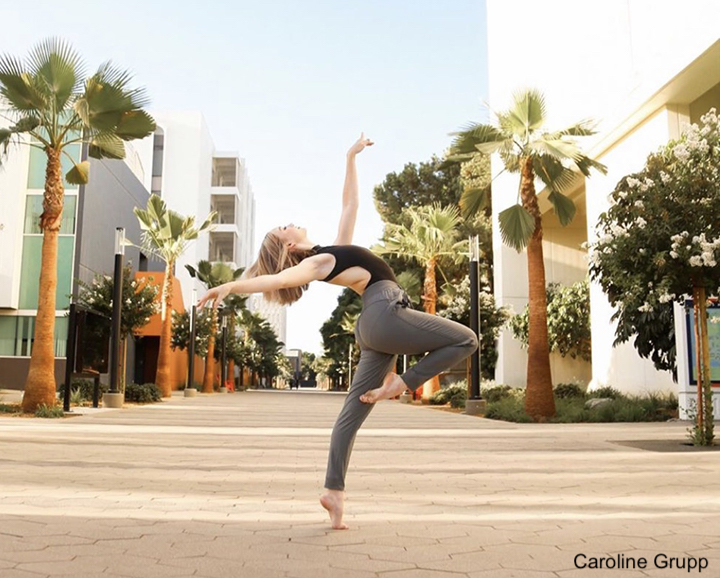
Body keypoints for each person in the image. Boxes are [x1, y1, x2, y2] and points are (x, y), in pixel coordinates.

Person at [198, 133, 479, 530]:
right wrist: (229, 286)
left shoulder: (332, 252)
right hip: (385, 312)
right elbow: (274, 281)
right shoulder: (314, 263)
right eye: (284, 229)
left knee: (352, 413)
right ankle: (403, 383)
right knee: (467, 338)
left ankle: (334, 492)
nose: (289, 223)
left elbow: (351, 204)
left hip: (373, 326)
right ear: (290, 246)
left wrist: (350, 157)